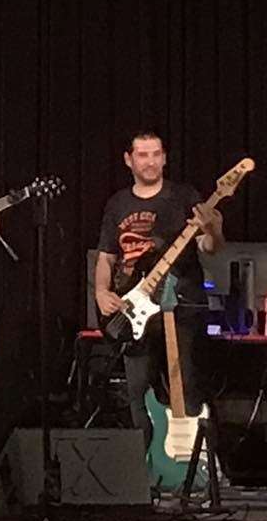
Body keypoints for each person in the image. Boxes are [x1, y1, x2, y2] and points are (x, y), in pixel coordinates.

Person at [93, 130, 224, 452]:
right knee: (137, 395)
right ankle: (147, 467)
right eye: (142, 155)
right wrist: (101, 292)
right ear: (128, 160)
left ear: (164, 158)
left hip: (180, 306)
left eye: (156, 154)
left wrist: (213, 228)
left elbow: (209, 247)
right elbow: (106, 256)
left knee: (188, 390)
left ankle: (192, 465)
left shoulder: (184, 197)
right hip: (134, 312)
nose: (150, 162)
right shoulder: (117, 203)